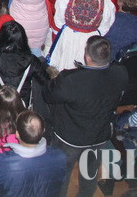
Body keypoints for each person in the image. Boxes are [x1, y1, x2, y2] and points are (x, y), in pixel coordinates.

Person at [44, 36, 127, 197]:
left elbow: (48, 95)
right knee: (90, 173)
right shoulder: (121, 73)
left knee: (62, 175)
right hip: (100, 135)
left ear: (87, 56)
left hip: (69, 138)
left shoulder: (70, 79)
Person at [0, 110, 67, 197]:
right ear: (43, 130)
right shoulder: (60, 157)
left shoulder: (0, 163)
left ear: (17, 134)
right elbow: (60, 183)